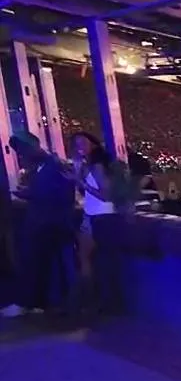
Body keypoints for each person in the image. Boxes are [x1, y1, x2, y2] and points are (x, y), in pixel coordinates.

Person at [1, 130, 78, 318]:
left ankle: (31, 303)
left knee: (35, 263)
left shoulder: (55, 165)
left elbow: (63, 194)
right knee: (36, 264)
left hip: (50, 223)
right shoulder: (41, 167)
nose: (21, 155)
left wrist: (29, 194)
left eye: (22, 150)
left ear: (33, 146)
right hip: (42, 222)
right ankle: (35, 302)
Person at [69, 131, 114, 310]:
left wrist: (81, 182)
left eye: (83, 142)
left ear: (93, 144)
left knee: (86, 258)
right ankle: (92, 300)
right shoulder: (89, 165)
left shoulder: (97, 166)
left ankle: (89, 300)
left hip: (100, 216)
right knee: (87, 258)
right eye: (76, 144)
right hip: (93, 215)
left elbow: (105, 195)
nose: (80, 147)